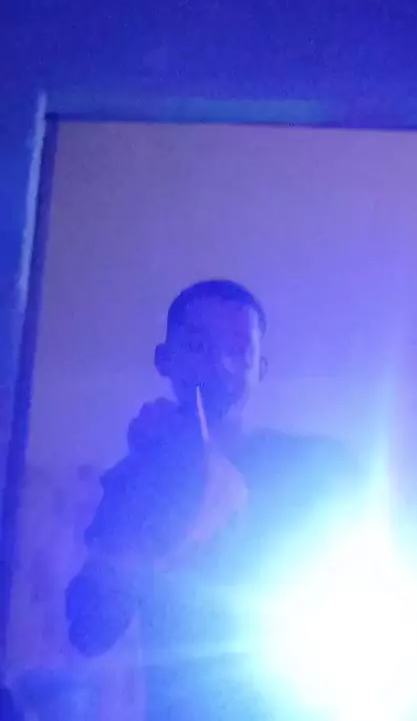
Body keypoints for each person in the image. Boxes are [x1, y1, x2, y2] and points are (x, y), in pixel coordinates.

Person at [66, 280, 360, 721]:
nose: (221, 364)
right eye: (198, 345)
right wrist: (156, 476)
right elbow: (91, 629)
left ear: (261, 368)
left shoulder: (317, 466)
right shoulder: (131, 482)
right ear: (165, 360)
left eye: (240, 350)